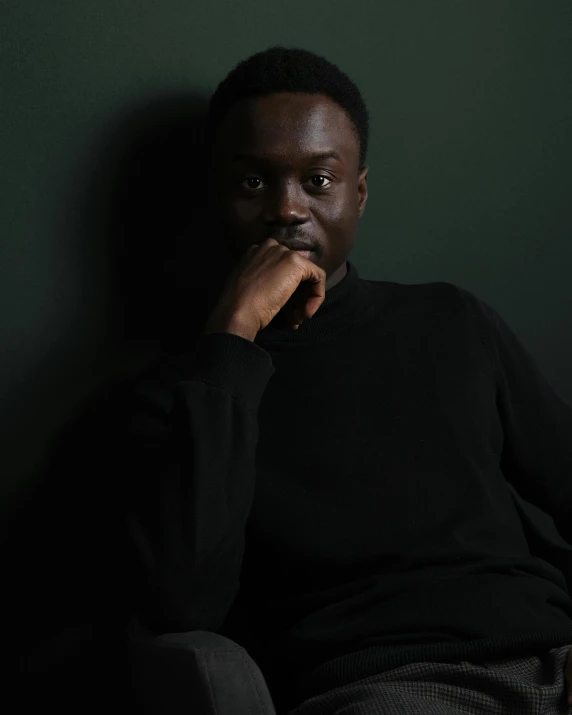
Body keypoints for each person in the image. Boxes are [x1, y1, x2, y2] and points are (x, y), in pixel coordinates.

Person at [124, 46, 572, 714]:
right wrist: (233, 337)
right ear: (215, 194)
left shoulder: (451, 321)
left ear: (358, 193)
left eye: (318, 181)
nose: (287, 209)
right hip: (390, 685)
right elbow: (183, 603)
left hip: (552, 654)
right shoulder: (179, 397)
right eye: (254, 183)